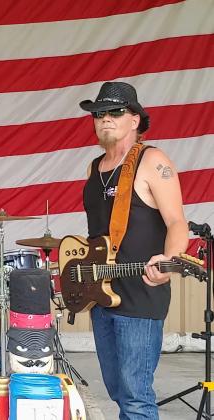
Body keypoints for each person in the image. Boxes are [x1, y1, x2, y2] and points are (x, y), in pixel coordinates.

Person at [80, 81, 188, 419]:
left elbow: (177, 223)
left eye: (115, 112)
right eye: (100, 113)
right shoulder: (94, 167)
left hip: (140, 295)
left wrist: (169, 261)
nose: (106, 118)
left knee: (137, 396)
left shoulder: (152, 160)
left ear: (135, 120)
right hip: (103, 294)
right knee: (117, 390)